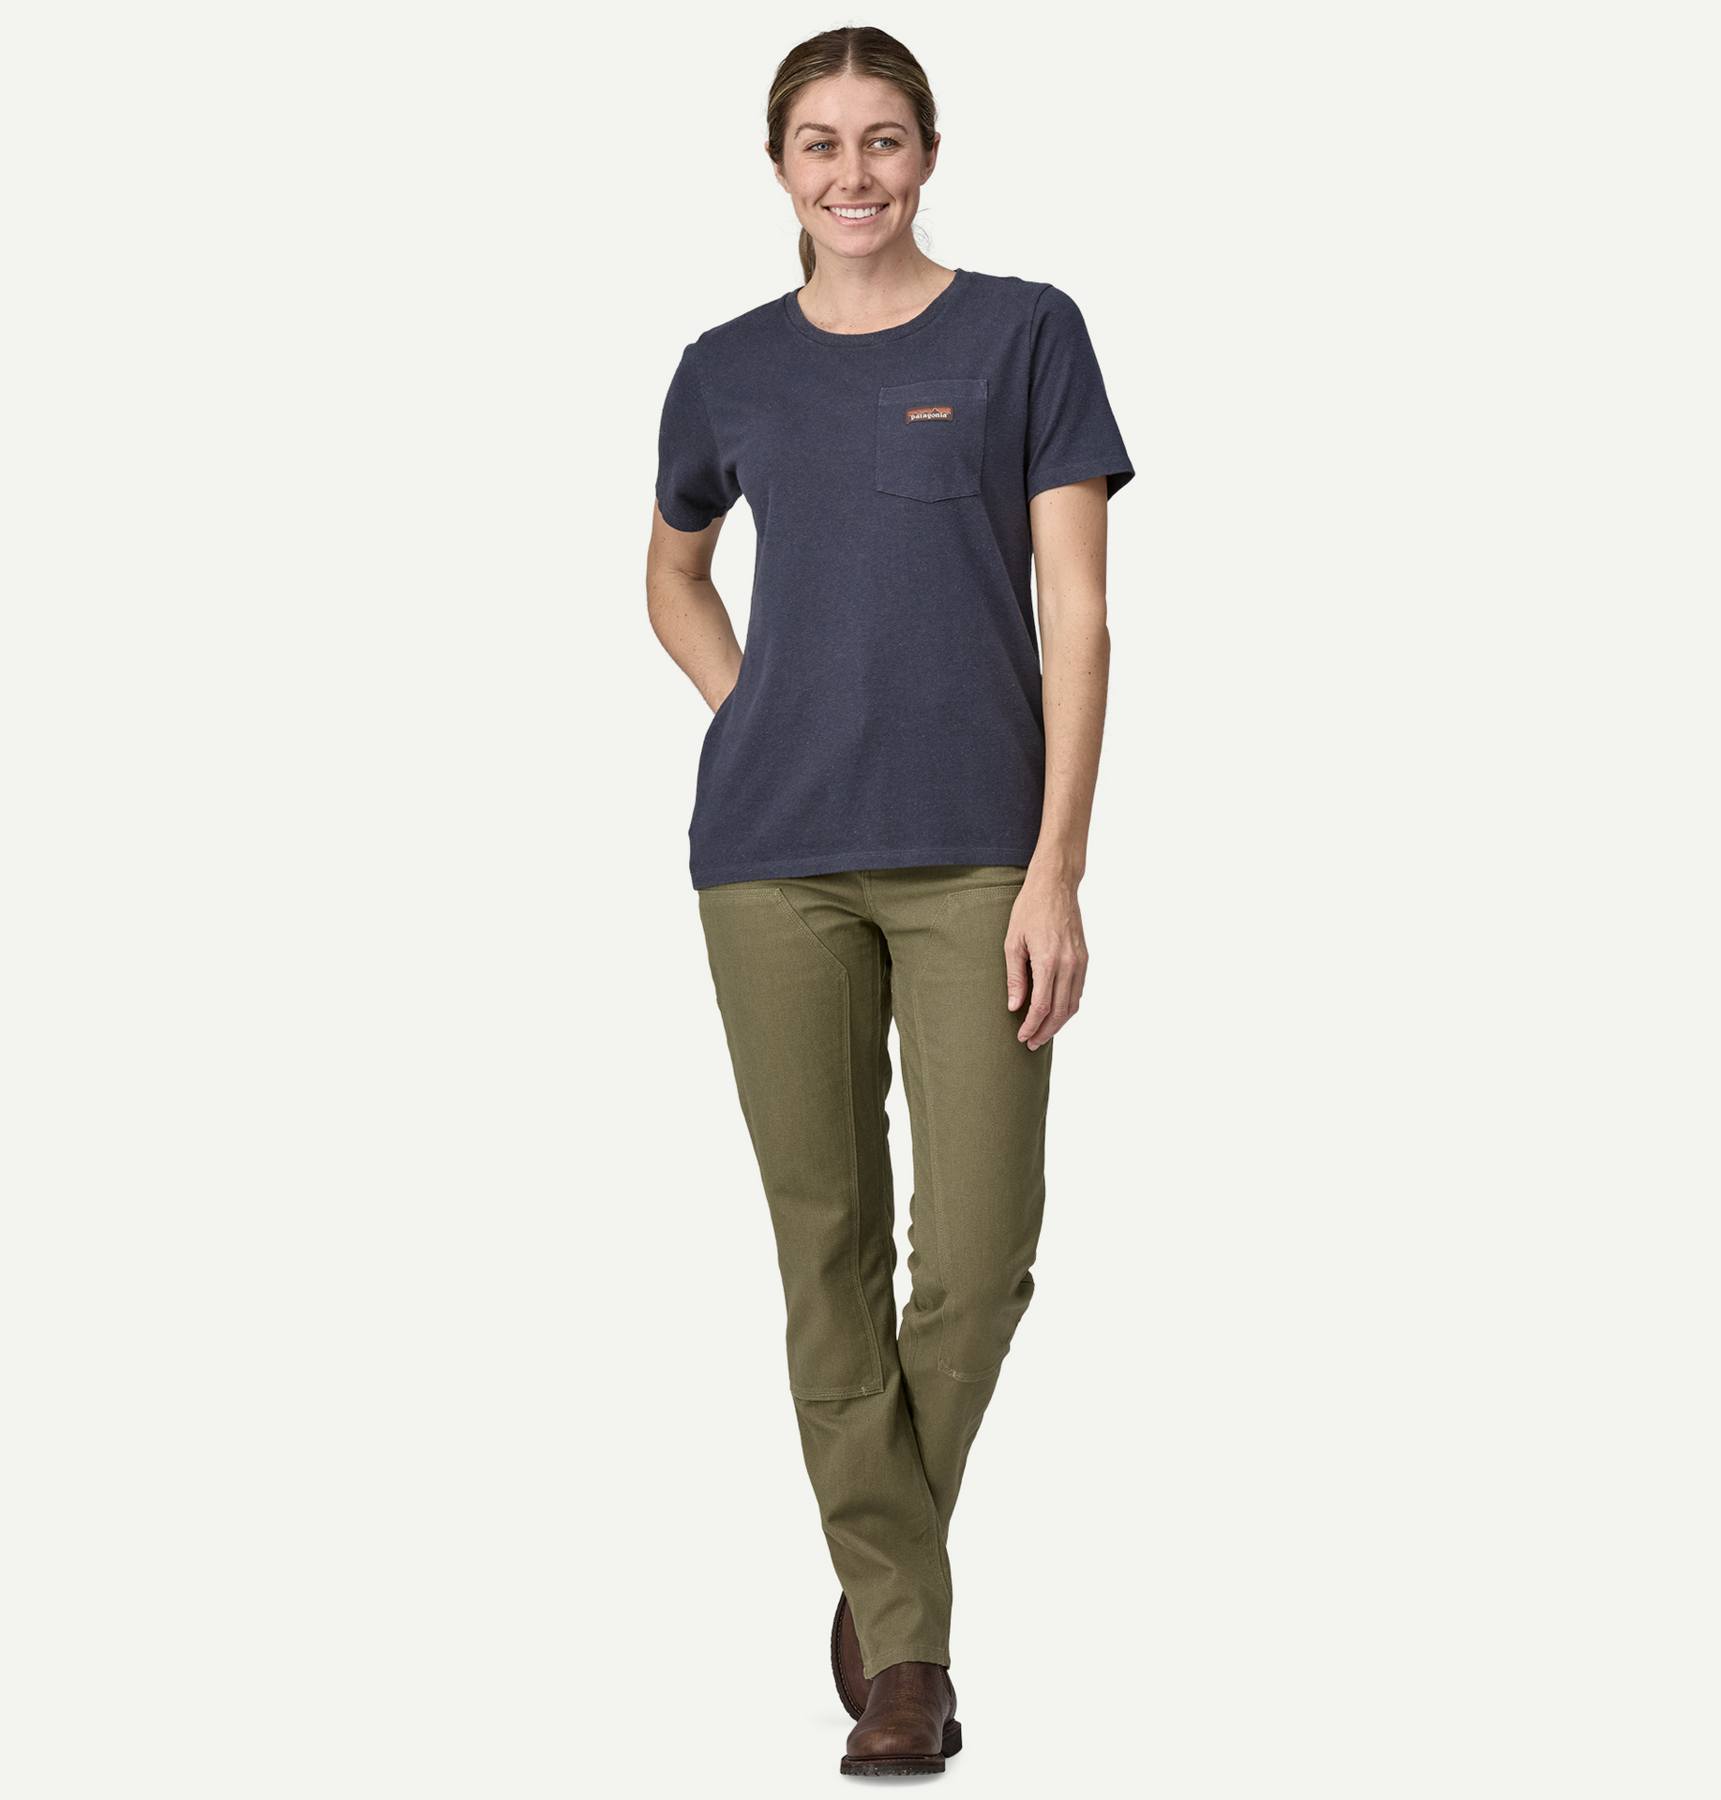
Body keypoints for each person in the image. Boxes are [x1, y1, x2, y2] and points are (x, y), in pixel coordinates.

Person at [645, 25, 1133, 1777]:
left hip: (982, 857)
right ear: (778, 165)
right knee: (828, 1251)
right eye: (819, 144)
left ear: (929, 152)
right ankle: (907, 1661)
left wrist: (1059, 866)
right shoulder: (724, 369)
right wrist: (754, 704)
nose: (852, 174)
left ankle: (878, 1565)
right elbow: (672, 573)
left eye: (882, 140)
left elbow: (1080, 615)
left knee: (979, 1258)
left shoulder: (1025, 334)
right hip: (769, 859)